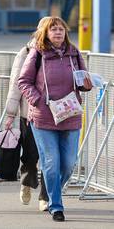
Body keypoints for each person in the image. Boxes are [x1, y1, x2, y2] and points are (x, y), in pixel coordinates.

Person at [18, 16, 92, 222]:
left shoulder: (74, 53)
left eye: (61, 29)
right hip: (44, 117)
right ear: (46, 33)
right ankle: (56, 206)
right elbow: (23, 81)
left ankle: (52, 192)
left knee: (68, 164)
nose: (58, 33)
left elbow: (82, 79)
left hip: (70, 114)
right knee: (51, 161)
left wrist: (86, 84)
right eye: (53, 30)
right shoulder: (37, 53)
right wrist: (38, 100)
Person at [4, 35, 48, 210]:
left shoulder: (62, 52)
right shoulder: (27, 52)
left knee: (49, 157)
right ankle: (26, 182)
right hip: (29, 113)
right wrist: (10, 113)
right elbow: (16, 84)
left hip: (54, 115)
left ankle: (45, 196)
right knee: (31, 155)